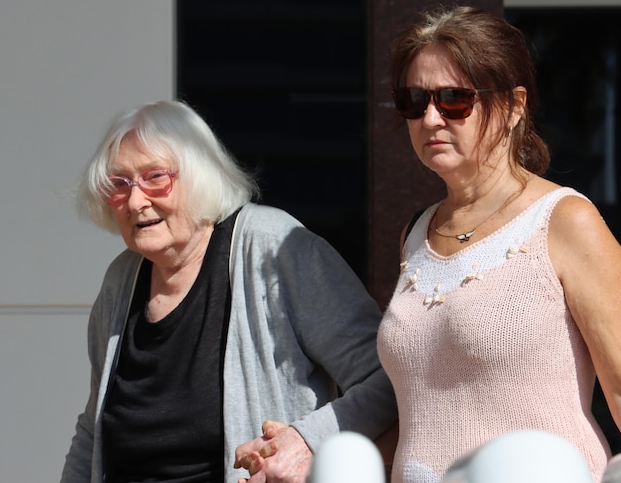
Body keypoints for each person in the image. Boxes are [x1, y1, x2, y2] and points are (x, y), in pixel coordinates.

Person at [376, 6, 621, 483]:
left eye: (454, 99)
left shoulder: (564, 221)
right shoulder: (416, 232)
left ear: (514, 106)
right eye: (414, 100)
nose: (430, 117)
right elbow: (426, 410)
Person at [60, 100, 397, 483]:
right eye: (120, 184)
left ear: (198, 176)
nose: (136, 201)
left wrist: (308, 440)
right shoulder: (121, 280)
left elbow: (388, 378)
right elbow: (94, 428)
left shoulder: (275, 248)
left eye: (155, 177)